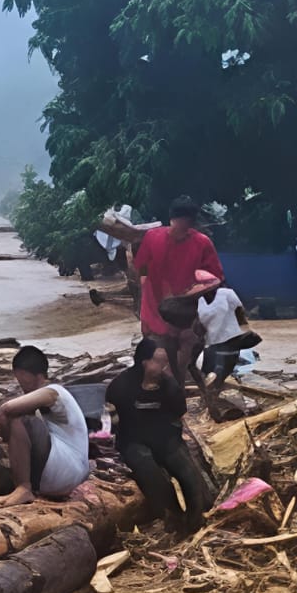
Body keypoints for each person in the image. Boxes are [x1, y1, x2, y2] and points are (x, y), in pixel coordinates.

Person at [108, 338, 209, 532]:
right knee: (149, 470)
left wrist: (175, 437)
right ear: (144, 361)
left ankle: (198, 517)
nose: (163, 367)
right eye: (158, 362)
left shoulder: (169, 386)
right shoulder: (120, 386)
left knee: (188, 474)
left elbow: (179, 414)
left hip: (166, 438)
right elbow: (112, 420)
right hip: (133, 440)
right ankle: (172, 516)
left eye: (165, 363)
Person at [0, 345, 92, 508]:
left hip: (68, 472)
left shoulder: (54, 391)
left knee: (20, 419)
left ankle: (23, 487)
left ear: (36, 376)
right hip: (66, 473)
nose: (21, 385)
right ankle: (23, 486)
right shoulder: (46, 398)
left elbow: (7, 409)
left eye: (23, 379)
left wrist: (0, 423)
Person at [135, 196, 223, 381]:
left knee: (184, 351)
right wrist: (144, 281)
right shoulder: (152, 237)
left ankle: (177, 386)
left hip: (187, 311)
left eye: (185, 226)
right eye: (177, 224)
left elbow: (215, 277)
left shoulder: (202, 243)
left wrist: (196, 293)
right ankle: (162, 386)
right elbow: (141, 265)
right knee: (157, 355)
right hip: (155, 308)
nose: (180, 230)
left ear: (191, 223)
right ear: (171, 219)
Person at [194, 270, 254, 398]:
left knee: (222, 368)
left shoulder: (227, 294)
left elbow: (240, 313)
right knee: (210, 369)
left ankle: (217, 391)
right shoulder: (197, 300)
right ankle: (213, 393)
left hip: (229, 338)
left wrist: (245, 332)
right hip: (210, 340)